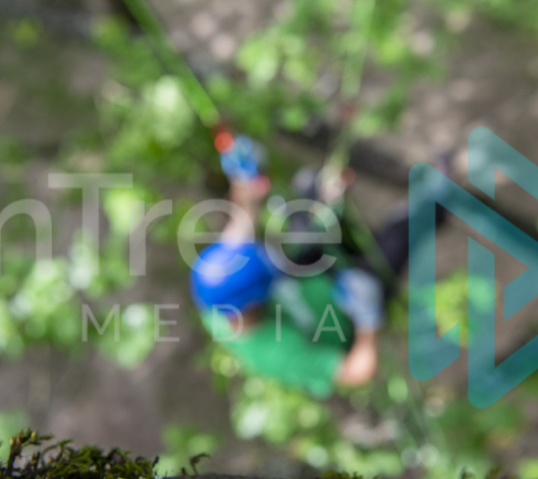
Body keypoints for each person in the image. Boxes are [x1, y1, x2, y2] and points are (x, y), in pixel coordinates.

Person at [190, 132, 448, 398]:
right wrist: (367, 323)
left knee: (310, 192)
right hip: (351, 306)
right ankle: (440, 196)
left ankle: (331, 193)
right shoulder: (272, 354)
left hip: (314, 275)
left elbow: (240, 225)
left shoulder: (213, 289)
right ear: (256, 301)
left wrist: (245, 180)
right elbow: (355, 371)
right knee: (397, 239)